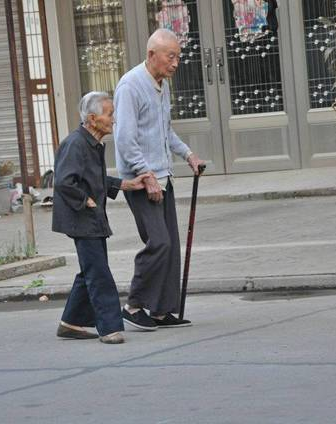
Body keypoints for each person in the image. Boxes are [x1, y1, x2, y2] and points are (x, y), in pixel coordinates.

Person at [113, 28, 206, 331]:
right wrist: (146, 174)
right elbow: (125, 140)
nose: (176, 62)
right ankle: (133, 304)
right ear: (152, 54)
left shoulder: (161, 84)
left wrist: (188, 155)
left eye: (178, 56)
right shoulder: (130, 86)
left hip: (162, 177)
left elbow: (164, 131)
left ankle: (161, 310)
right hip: (141, 182)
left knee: (171, 245)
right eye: (171, 56)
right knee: (159, 243)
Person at [52, 91, 149, 344]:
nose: (113, 119)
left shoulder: (92, 143)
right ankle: (108, 328)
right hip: (81, 217)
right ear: (93, 119)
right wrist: (86, 200)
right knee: (99, 273)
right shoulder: (75, 144)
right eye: (109, 114)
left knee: (91, 271)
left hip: (91, 216)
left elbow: (94, 179)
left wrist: (126, 185)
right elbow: (63, 181)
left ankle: (70, 322)